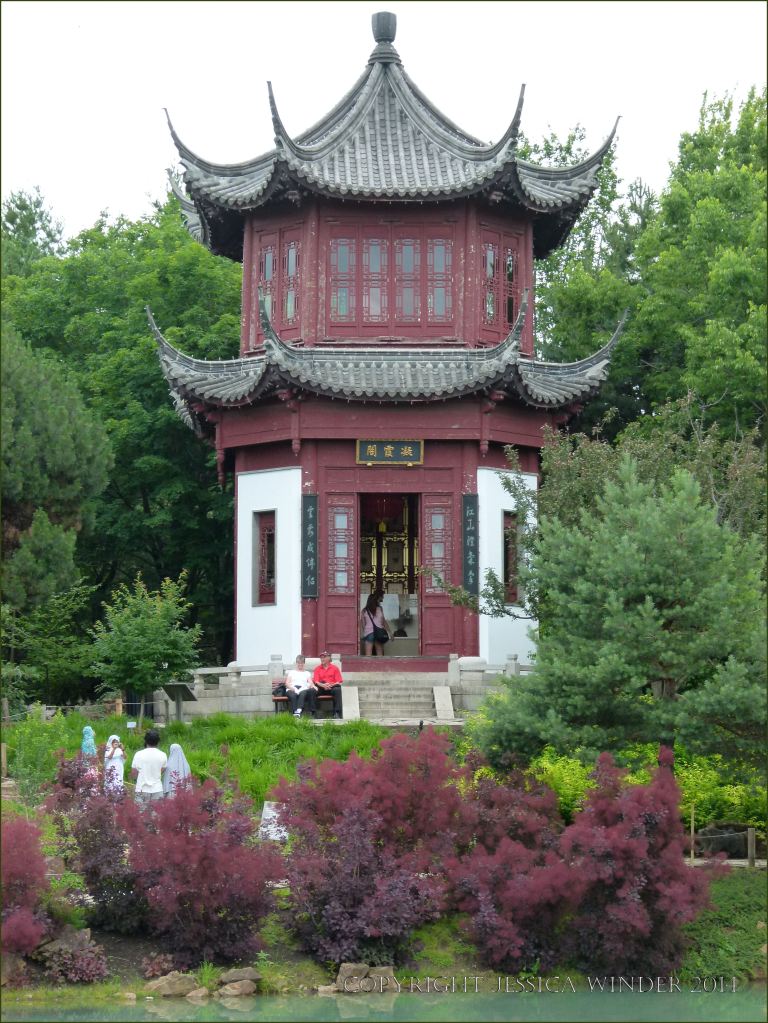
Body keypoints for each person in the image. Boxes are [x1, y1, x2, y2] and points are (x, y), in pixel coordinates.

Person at [131, 729, 167, 806]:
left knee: (141, 813)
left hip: (141, 789)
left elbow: (134, 773)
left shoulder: (138, 754)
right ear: (158, 741)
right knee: (157, 813)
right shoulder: (163, 755)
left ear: (145, 741)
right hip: (157, 789)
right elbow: (163, 769)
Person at [312, 651, 344, 719]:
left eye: (324, 657)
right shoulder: (317, 668)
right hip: (321, 687)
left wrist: (330, 685)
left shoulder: (335, 668)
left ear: (329, 658)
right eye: (321, 657)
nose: (322, 659)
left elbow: (339, 682)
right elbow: (316, 682)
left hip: (332, 687)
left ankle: (336, 713)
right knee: (312, 691)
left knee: (337, 689)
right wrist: (323, 685)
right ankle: (313, 713)